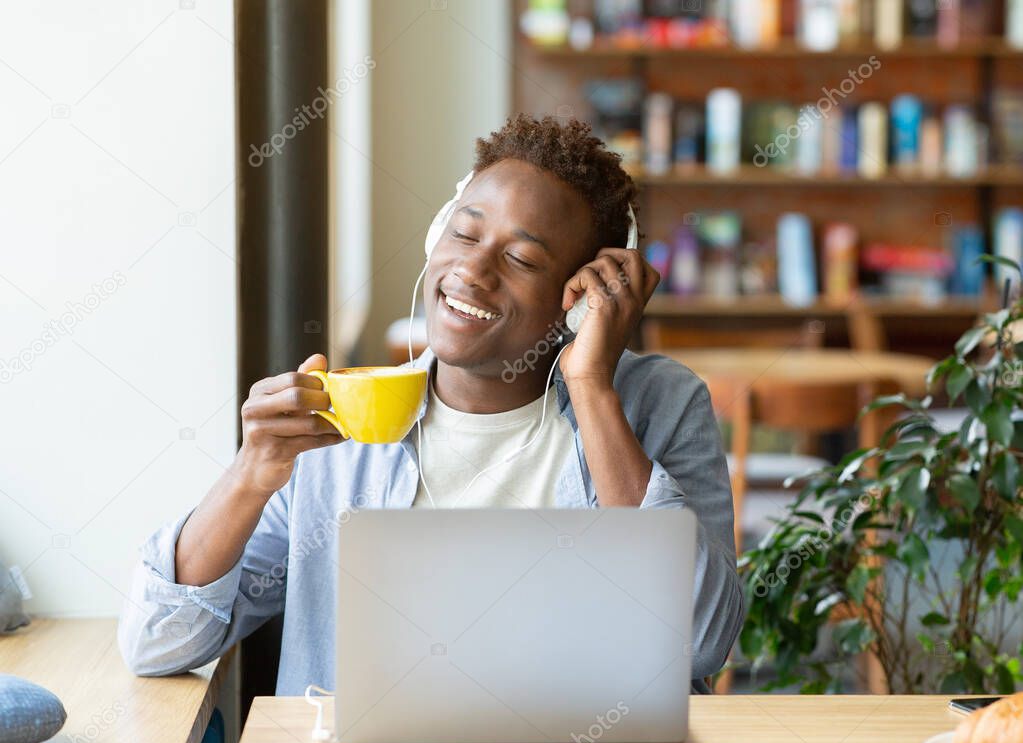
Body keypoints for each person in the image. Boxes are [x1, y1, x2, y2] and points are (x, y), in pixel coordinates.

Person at [118, 114, 742, 695]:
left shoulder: (661, 404)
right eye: (464, 232)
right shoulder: (343, 428)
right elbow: (158, 643)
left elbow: (697, 645)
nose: (472, 268)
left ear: (581, 296)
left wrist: (593, 386)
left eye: (521, 257)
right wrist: (251, 475)